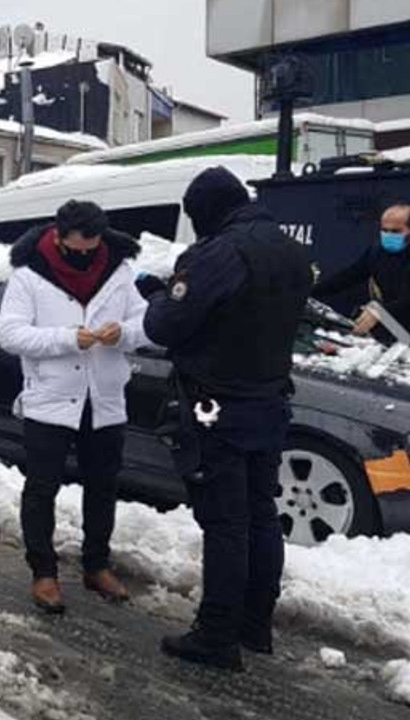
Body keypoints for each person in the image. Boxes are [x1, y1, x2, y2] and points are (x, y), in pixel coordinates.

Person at [142, 167, 312, 671]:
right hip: (268, 401)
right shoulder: (288, 248)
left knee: (225, 523)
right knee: (261, 515)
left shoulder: (220, 252)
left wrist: (160, 292)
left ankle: (216, 634)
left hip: (218, 405)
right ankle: (255, 624)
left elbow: (166, 324)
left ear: (207, 212)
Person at [0, 200, 148, 614]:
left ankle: (96, 564)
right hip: (49, 401)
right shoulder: (29, 275)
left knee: (103, 485)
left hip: (104, 399)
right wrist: (65, 339)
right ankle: (43, 572)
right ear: (58, 237)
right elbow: (10, 335)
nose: (85, 256)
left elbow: (144, 322)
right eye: (76, 249)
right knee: (42, 488)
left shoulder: (117, 270)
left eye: (92, 248)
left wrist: (124, 333)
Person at [312, 203, 410, 340]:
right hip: (395, 326)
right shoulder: (377, 251)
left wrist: (381, 313)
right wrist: (310, 291)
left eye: (395, 231)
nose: (388, 235)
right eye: (384, 230)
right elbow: (350, 276)